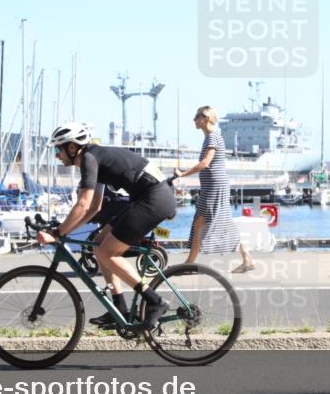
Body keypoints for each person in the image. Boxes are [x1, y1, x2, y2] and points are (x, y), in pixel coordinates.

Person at [46, 122, 176, 330]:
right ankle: (120, 309)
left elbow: (83, 204)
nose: (56, 156)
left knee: (108, 252)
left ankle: (154, 301)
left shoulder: (89, 159)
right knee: (99, 244)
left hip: (154, 198)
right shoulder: (93, 158)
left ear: (72, 148)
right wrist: (63, 230)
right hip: (148, 197)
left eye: (57, 149)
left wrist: (57, 232)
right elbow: (94, 208)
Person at [174, 106, 255, 274]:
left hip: (215, 187)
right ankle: (246, 259)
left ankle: (189, 265)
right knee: (211, 223)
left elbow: (205, 163)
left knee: (201, 222)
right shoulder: (211, 137)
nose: (194, 120)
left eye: (196, 116)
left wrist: (183, 174)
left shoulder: (212, 137)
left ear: (205, 118)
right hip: (213, 186)